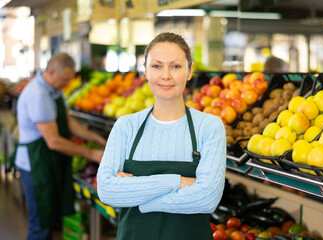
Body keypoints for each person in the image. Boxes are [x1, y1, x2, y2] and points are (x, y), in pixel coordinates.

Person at [97, 32, 226, 240]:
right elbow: (107, 191)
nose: (166, 75)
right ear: (146, 71)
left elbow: (207, 199)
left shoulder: (209, 127)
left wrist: (140, 198)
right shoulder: (126, 126)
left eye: (175, 66)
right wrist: (179, 181)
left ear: (190, 70)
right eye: (156, 66)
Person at [14, 52, 106, 240]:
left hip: (48, 163)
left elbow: (68, 122)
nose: (67, 85)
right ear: (51, 72)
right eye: (65, 80)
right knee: (40, 224)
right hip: (35, 166)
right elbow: (53, 141)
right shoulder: (38, 94)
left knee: (48, 220)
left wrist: (97, 139)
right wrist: (91, 153)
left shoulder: (54, 90)